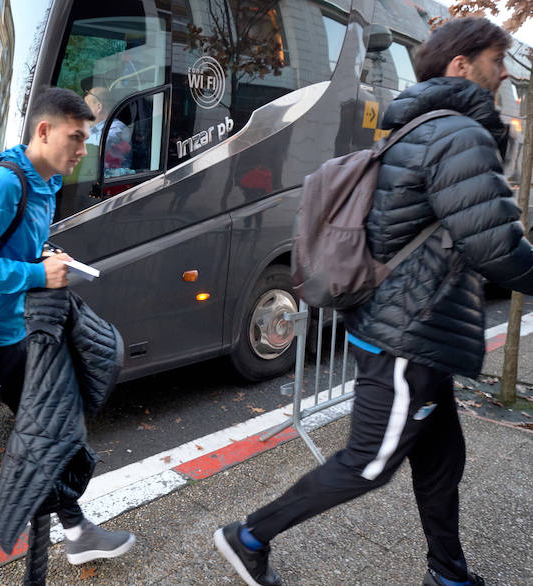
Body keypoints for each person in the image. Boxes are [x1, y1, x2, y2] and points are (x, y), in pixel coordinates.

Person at [213, 18, 533, 586]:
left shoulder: (417, 127)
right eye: (494, 59)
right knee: (368, 463)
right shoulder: (457, 134)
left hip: (407, 329)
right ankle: (249, 535)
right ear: (462, 66)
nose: (504, 71)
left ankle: (449, 574)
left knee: (440, 462)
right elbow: (496, 247)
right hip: (408, 335)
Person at [0, 87, 135, 581]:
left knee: (50, 429)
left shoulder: (46, 184)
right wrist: (38, 276)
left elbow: (14, 248)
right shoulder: (3, 185)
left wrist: (46, 259)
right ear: (44, 131)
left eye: (87, 138)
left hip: (17, 332)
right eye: (76, 138)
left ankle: (77, 533)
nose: (84, 150)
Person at [82, 86, 131, 172]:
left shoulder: (117, 127)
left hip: (114, 182)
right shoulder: (91, 129)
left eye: (86, 107)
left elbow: (103, 143)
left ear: (98, 107)